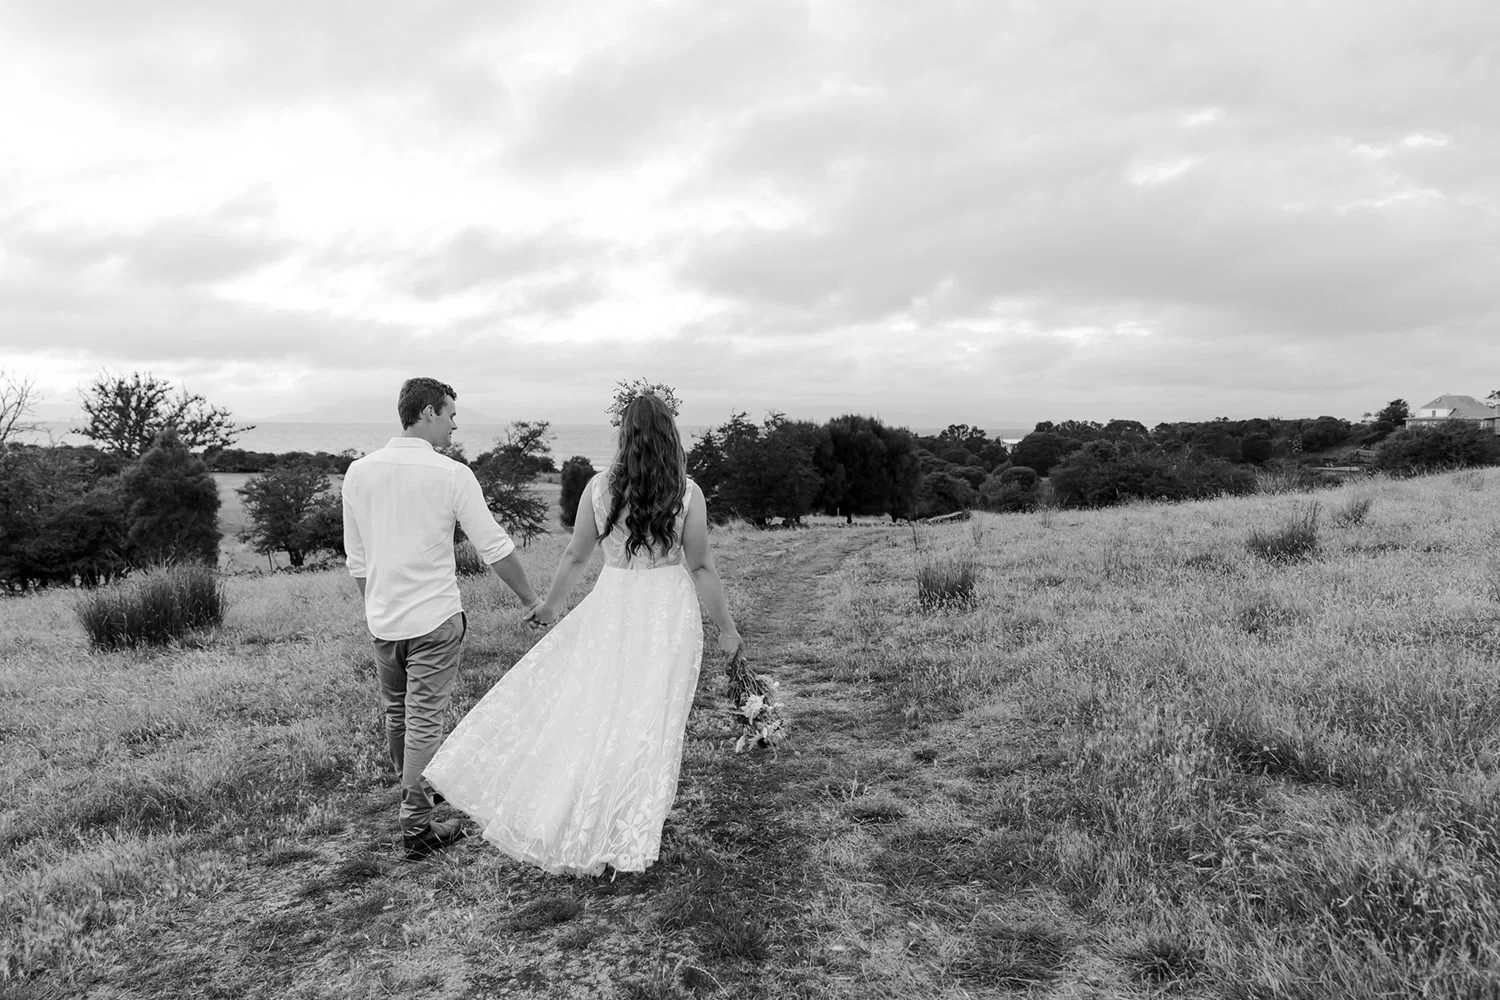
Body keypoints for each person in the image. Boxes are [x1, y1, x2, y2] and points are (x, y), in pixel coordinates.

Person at [424, 387, 742, 876]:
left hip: (614, 605)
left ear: (625, 435)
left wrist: (550, 607)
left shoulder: (599, 488)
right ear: (669, 434)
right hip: (665, 611)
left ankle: (601, 814)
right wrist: (726, 629)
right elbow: (700, 566)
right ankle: (627, 825)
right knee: (649, 717)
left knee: (600, 706)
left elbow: (576, 555)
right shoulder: (687, 492)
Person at [342, 377, 544, 861]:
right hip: (434, 618)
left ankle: (416, 795)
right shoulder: (452, 474)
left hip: (383, 619)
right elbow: (494, 547)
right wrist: (531, 600)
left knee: (399, 714)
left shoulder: (358, 472)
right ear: (429, 412)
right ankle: (417, 827)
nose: (455, 424)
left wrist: (376, 608)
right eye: (451, 414)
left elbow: (357, 559)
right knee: (425, 721)